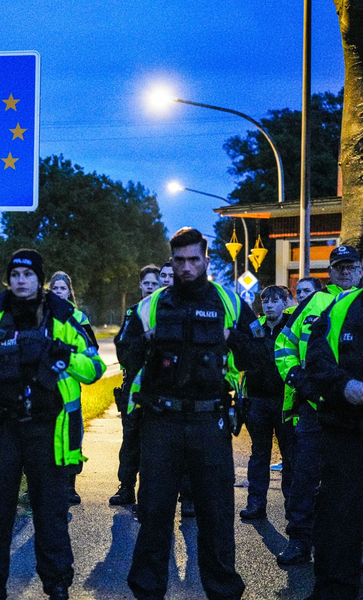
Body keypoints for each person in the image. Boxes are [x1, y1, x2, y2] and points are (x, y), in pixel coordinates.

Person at [0, 249, 105, 600]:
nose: (22, 280)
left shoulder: (62, 317)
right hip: (1, 430)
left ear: (40, 279)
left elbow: (94, 368)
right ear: (9, 279)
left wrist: (63, 355)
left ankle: (57, 587)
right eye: (16, 274)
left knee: (51, 518)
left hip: (47, 433)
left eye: (28, 274)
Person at [123, 228, 256, 600]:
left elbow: (258, 359)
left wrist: (234, 338)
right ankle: (148, 592)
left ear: (206, 260)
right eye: (179, 260)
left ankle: (223, 592)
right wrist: (141, 341)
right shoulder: (150, 306)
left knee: (216, 516)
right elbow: (125, 358)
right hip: (161, 423)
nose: (186, 267)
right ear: (172, 260)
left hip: (209, 422)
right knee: (154, 514)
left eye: (193, 259)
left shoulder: (229, 302)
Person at [274, 245, 362, 565]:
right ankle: (300, 540)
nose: (345, 271)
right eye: (339, 266)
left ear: (361, 268)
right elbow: (284, 344)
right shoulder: (313, 302)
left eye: (351, 265)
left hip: (356, 410)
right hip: (315, 408)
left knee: (352, 479)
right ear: (330, 271)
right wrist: (299, 380)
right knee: (305, 476)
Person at [304, 284, 363, 599]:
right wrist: (345, 385)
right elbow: (315, 360)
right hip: (347, 432)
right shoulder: (340, 309)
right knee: (338, 518)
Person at [239, 285, 294, 521]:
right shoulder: (255, 329)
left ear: (285, 303)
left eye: (275, 300)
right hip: (258, 401)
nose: (269, 304)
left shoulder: (291, 328)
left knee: (290, 457)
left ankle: (293, 508)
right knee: (259, 454)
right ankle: (255, 505)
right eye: (265, 300)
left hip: (285, 402)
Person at [48, 270, 98, 505]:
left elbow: (91, 351)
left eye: (62, 289)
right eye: (55, 288)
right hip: (44, 389)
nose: (58, 292)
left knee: (71, 437)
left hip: (69, 389)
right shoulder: (41, 315)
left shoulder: (79, 317)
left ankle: (70, 485)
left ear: (69, 292)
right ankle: (39, 485)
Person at [111, 265, 159, 509]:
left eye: (154, 283)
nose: (150, 287)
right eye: (147, 283)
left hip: (159, 386)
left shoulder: (165, 311)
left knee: (156, 442)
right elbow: (122, 347)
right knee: (130, 438)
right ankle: (126, 487)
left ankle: (152, 495)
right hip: (133, 385)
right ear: (140, 285)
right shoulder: (133, 313)